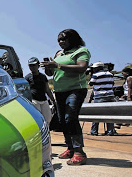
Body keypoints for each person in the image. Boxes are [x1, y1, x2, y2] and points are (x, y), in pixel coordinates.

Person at [41, 29, 90, 165]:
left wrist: (57, 65)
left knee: (70, 118)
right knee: (62, 120)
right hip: (60, 91)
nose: (61, 42)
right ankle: (70, 148)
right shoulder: (58, 53)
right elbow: (51, 73)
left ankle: (79, 151)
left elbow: (81, 67)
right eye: (59, 40)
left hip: (75, 89)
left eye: (64, 39)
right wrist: (49, 67)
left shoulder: (81, 51)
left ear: (73, 39)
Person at [25, 57, 56, 125]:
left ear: (38, 65)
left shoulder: (43, 76)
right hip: (34, 100)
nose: (32, 67)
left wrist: (53, 100)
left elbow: (47, 89)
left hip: (44, 100)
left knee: (48, 119)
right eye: (30, 65)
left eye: (34, 65)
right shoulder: (27, 78)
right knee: (38, 120)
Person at [88, 62, 116, 136]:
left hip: (100, 95)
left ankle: (94, 131)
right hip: (110, 95)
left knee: (96, 114)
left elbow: (91, 83)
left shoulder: (96, 75)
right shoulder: (110, 74)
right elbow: (112, 83)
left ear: (98, 68)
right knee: (109, 114)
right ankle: (110, 131)